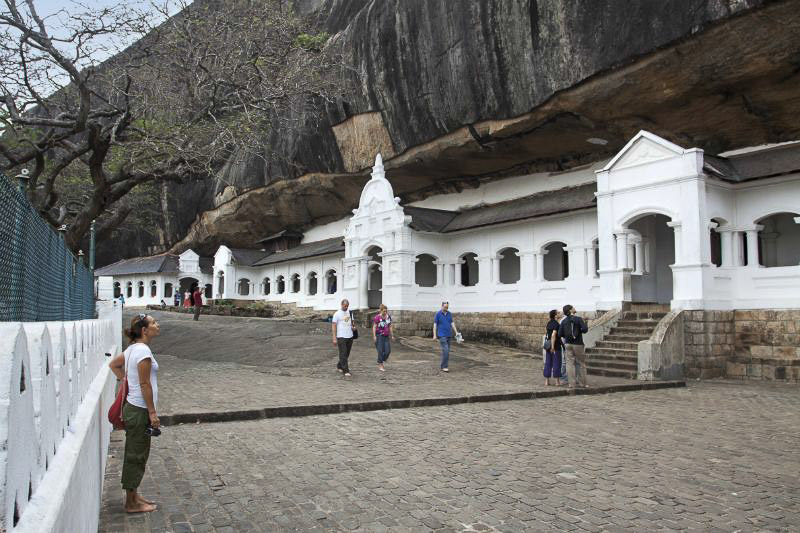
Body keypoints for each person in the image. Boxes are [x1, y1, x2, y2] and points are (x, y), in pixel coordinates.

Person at [108, 313, 161, 514]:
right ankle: (131, 503)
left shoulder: (132, 349)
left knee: (137, 452)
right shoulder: (143, 352)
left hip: (134, 407)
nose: (157, 325)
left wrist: (125, 380)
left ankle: (134, 495)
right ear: (144, 330)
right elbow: (145, 383)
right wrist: (152, 413)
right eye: (153, 323)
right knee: (136, 455)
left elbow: (113, 364)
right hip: (139, 410)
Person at [558, 304, 589, 388]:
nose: (574, 308)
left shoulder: (564, 321)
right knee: (581, 363)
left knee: (569, 364)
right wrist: (585, 323)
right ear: (570, 310)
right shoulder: (578, 319)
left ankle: (571, 384)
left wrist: (567, 336)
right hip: (578, 344)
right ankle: (583, 383)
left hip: (568, 344)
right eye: (573, 307)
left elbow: (560, 334)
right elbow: (585, 330)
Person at [433, 301, 459, 372]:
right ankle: (445, 366)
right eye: (445, 307)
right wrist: (434, 335)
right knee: (446, 350)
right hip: (442, 335)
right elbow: (435, 325)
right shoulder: (438, 314)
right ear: (442, 306)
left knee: (446, 351)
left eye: (447, 307)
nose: (446, 308)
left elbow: (452, 323)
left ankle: (442, 366)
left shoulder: (449, 313)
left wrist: (456, 332)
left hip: (449, 335)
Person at [331, 299, 354, 377]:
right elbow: (334, 326)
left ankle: (339, 365)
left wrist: (353, 327)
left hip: (350, 336)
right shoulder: (337, 314)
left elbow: (352, 322)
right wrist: (334, 338)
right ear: (341, 305)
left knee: (347, 353)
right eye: (345, 306)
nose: (346, 307)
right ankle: (346, 370)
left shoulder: (350, 313)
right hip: (341, 336)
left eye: (347, 306)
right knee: (343, 353)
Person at [372, 304, 395, 371]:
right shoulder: (377, 317)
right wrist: (374, 336)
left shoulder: (388, 317)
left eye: (386, 311)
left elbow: (390, 326)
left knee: (388, 351)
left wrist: (392, 335)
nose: (385, 312)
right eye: (384, 311)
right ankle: (381, 365)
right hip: (379, 336)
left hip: (386, 336)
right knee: (380, 351)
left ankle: (382, 359)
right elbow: (374, 327)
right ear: (381, 310)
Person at [544, 309, 563, 386]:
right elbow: (553, 335)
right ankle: (557, 382)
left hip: (548, 346)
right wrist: (553, 347)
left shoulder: (548, 323)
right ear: (555, 315)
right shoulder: (556, 324)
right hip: (555, 346)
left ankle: (547, 381)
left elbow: (548, 334)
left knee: (548, 362)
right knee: (556, 363)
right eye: (558, 313)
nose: (559, 313)